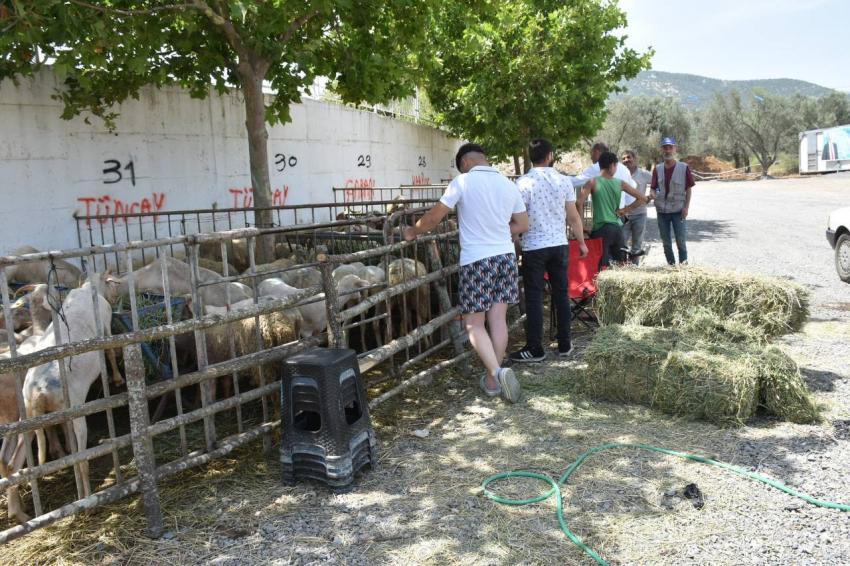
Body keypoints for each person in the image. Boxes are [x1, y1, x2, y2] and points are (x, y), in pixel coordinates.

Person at [403, 143, 528, 403]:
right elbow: (523, 224)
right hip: (505, 257)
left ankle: (496, 371)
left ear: (466, 163)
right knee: (498, 321)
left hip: (477, 259)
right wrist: (499, 232)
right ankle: (493, 382)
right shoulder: (508, 184)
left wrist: (412, 231)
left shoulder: (463, 181)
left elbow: (434, 217)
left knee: (473, 323)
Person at [508, 139, 588, 363]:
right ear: (550, 155)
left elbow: (516, 218)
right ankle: (565, 343)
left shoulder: (522, 183)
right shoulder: (563, 181)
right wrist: (581, 242)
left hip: (534, 246)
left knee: (533, 298)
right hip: (559, 244)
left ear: (530, 155)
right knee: (561, 294)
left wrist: (514, 239)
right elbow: (573, 216)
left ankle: (535, 348)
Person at [576, 152, 648, 267]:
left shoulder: (592, 182)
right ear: (612, 165)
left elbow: (579, 203)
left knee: (601, 268)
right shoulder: (620, 183)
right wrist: (625, 210)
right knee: (621, 266)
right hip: (617, 229)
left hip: (599, 230)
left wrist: (583, 225)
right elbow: (643, 198)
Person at [651, 137, 695, 265]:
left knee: (681, 241)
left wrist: (686, 207)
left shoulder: (683, 167)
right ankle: (671, 268)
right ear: (661, 150)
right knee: (666, 242)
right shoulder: (657, 169)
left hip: (678, 211)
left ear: (675, 149)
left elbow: (688, 189)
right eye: (665, 147)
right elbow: (655, 189)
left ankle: (683, 268)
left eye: (670, 147)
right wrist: (652, 194)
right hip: (662, 212)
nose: (668, 150)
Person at [620, 149, 652, 262]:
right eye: (623, 158)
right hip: (623, 215)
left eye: (628, 157)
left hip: (640, 214)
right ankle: (622, 269)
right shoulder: (619, 174)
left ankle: (634, 269)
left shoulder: (644, 174)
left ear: (634, 158)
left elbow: (659, 183)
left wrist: (651, 195)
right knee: (621, 243)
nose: (626, 160)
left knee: (637, 245)